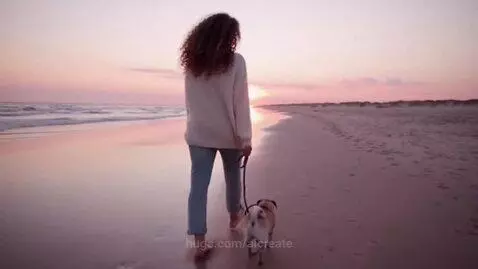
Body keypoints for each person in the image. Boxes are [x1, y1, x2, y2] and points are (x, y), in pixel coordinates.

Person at [179, 12, 252, 260]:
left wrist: (194, 127)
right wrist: (246, 138)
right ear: (229, 36)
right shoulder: (236, 62)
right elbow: (240, 102)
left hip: (199, 134)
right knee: (233, 177)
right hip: (228, 134)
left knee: (198, 188)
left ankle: (199, 242)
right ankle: (234, 219)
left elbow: (191, 103)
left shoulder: (192, 65)